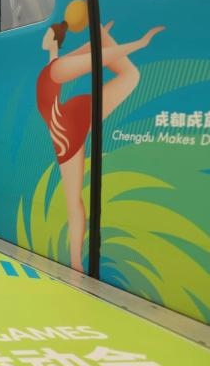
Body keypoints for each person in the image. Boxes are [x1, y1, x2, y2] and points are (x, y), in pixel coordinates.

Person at [37, 19, 163, 272]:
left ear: (52, 40)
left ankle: (75, 262)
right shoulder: (56, 64)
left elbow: (98, 58)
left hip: (67, 128)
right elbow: (88, 52)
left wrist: (138, 44)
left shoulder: (57, 68)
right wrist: (102, 37)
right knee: (130, 75)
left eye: (47, 34)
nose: (44, 37)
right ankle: (75, 260)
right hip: (67, 123)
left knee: (73, 201)